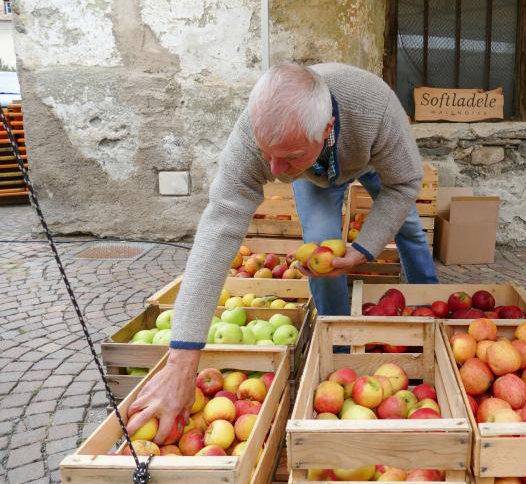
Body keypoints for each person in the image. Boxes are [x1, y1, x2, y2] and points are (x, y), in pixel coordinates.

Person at [126, 62, 438, 442]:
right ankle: (337, 350)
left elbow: (404, 184)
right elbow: (222, 222)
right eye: (266, 154)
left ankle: (430, 320)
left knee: (408, 230)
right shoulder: (259, 136)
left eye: (286, 157)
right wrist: (181, 359)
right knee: (321, 251)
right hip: (315, 172)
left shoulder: (376, 108)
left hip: (370, 156)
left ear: (326, 130)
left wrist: (364, 249)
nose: (274, 170)